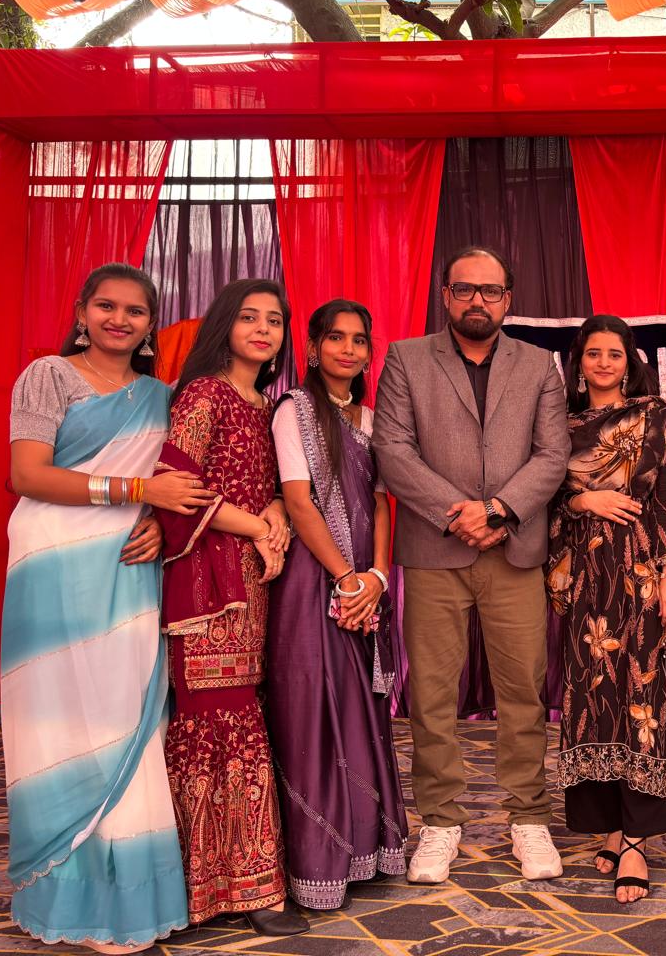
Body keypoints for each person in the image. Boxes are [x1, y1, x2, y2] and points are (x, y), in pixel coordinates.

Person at [1, 264, 210, 953]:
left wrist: (159, 518)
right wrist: (134, 491)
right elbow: (27, 474)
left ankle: (123, 896)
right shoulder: (48, 376)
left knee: (127, 715)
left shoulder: (161, 395)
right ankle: (63, 885)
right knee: (61, 716)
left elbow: (179, 487)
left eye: (136, 311)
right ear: (83, 311)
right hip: (53, 563)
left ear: (152, 324)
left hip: (127, 567)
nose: (120, 320)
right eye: (107, 306)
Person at [372, 246, 569, 884]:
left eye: (490, 290)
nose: (477, 300)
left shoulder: (540, 365)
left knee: (523, 692)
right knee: (430, 693)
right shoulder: (406, 358)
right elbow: (392, 450)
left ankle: (528, 819)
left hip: (513, 550)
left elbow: (553, 453)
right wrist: (458, 513)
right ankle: (440, 821)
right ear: (446, 296)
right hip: (435, 549)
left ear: (508, 299)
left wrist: (499, 511)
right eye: (465, 290)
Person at [157, 279, 309, 936]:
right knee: (214, 732)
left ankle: (247, 882)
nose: (262, 329)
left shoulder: (268, 405)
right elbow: (175, 488)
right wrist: (255, 528)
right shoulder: (202, 396)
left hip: (252, 584)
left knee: (245, 728)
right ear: (225, 325)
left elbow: (277, 489)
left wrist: (274, 523)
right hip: (204, 586)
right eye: (249, 317)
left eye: (274, 321)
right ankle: (211, 890)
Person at [266, 299, 408, 910]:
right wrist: (346, 577)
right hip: (311, 579)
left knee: (360, 709)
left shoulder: (372, 419)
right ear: (315, 346)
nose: (348, 349)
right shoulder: (294, 412)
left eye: (359, 340)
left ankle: (363, 849)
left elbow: (380, 503)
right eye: (336, 338)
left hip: (362, 583)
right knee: (315, 710)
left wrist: (376, 574)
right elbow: (299, 504)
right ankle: (319, 858)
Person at [546, 315, 666, 905]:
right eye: (593, 353)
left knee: (645, 696)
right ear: (578, 360)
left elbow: (665, 496)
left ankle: (635, 839)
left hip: (642, 570)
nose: (604, 363)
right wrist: (583, 497)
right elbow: (543, 492)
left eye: (614, 354)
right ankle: (608, 823)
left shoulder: (652, 416)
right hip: (583, 575)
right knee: (592, 695)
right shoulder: (557, 424)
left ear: (629, 360)